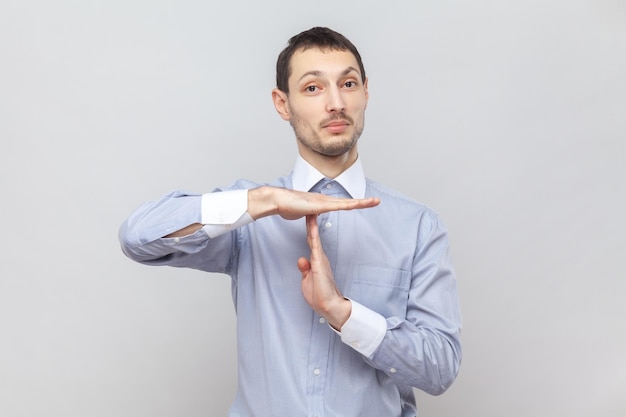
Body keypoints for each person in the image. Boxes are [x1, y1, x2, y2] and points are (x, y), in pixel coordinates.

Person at [119, 26, 462, 417]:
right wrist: (262, 200)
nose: (336, 103)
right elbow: (138, 237)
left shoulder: (417, 225)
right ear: (283, 104)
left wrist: (344, 314)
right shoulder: (249, 218)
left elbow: (441, 367)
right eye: (313, 88)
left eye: (347, 84)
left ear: (366, 92)